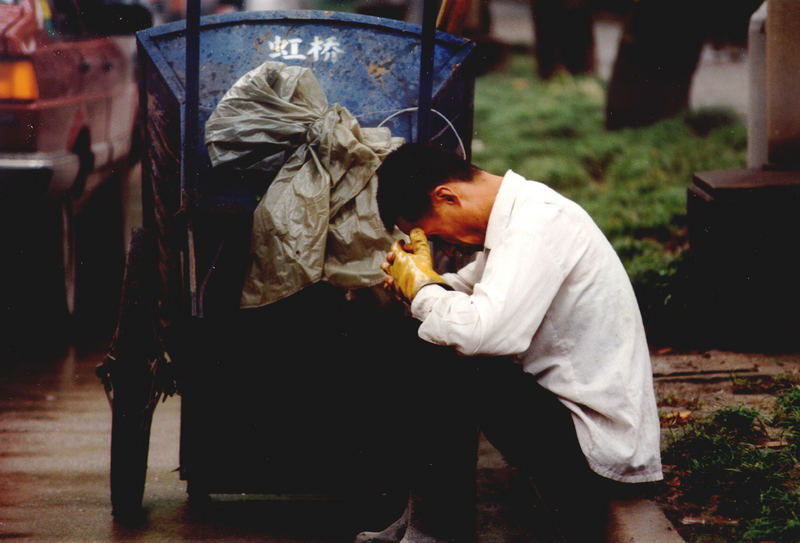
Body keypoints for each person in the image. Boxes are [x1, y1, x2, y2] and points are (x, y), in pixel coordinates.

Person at [357, 142, 662, 543]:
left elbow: (481, 330)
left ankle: (433, 530)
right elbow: (464, 298)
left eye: (433, 234)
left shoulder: (538, 224)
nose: (443, 248)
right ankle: (419, 517)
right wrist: (411, 282)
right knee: (414, 328)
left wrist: (424, 290)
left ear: (447, 196)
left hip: (595, 447)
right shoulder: (518, 216)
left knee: (442, 352)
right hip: (562, 420)